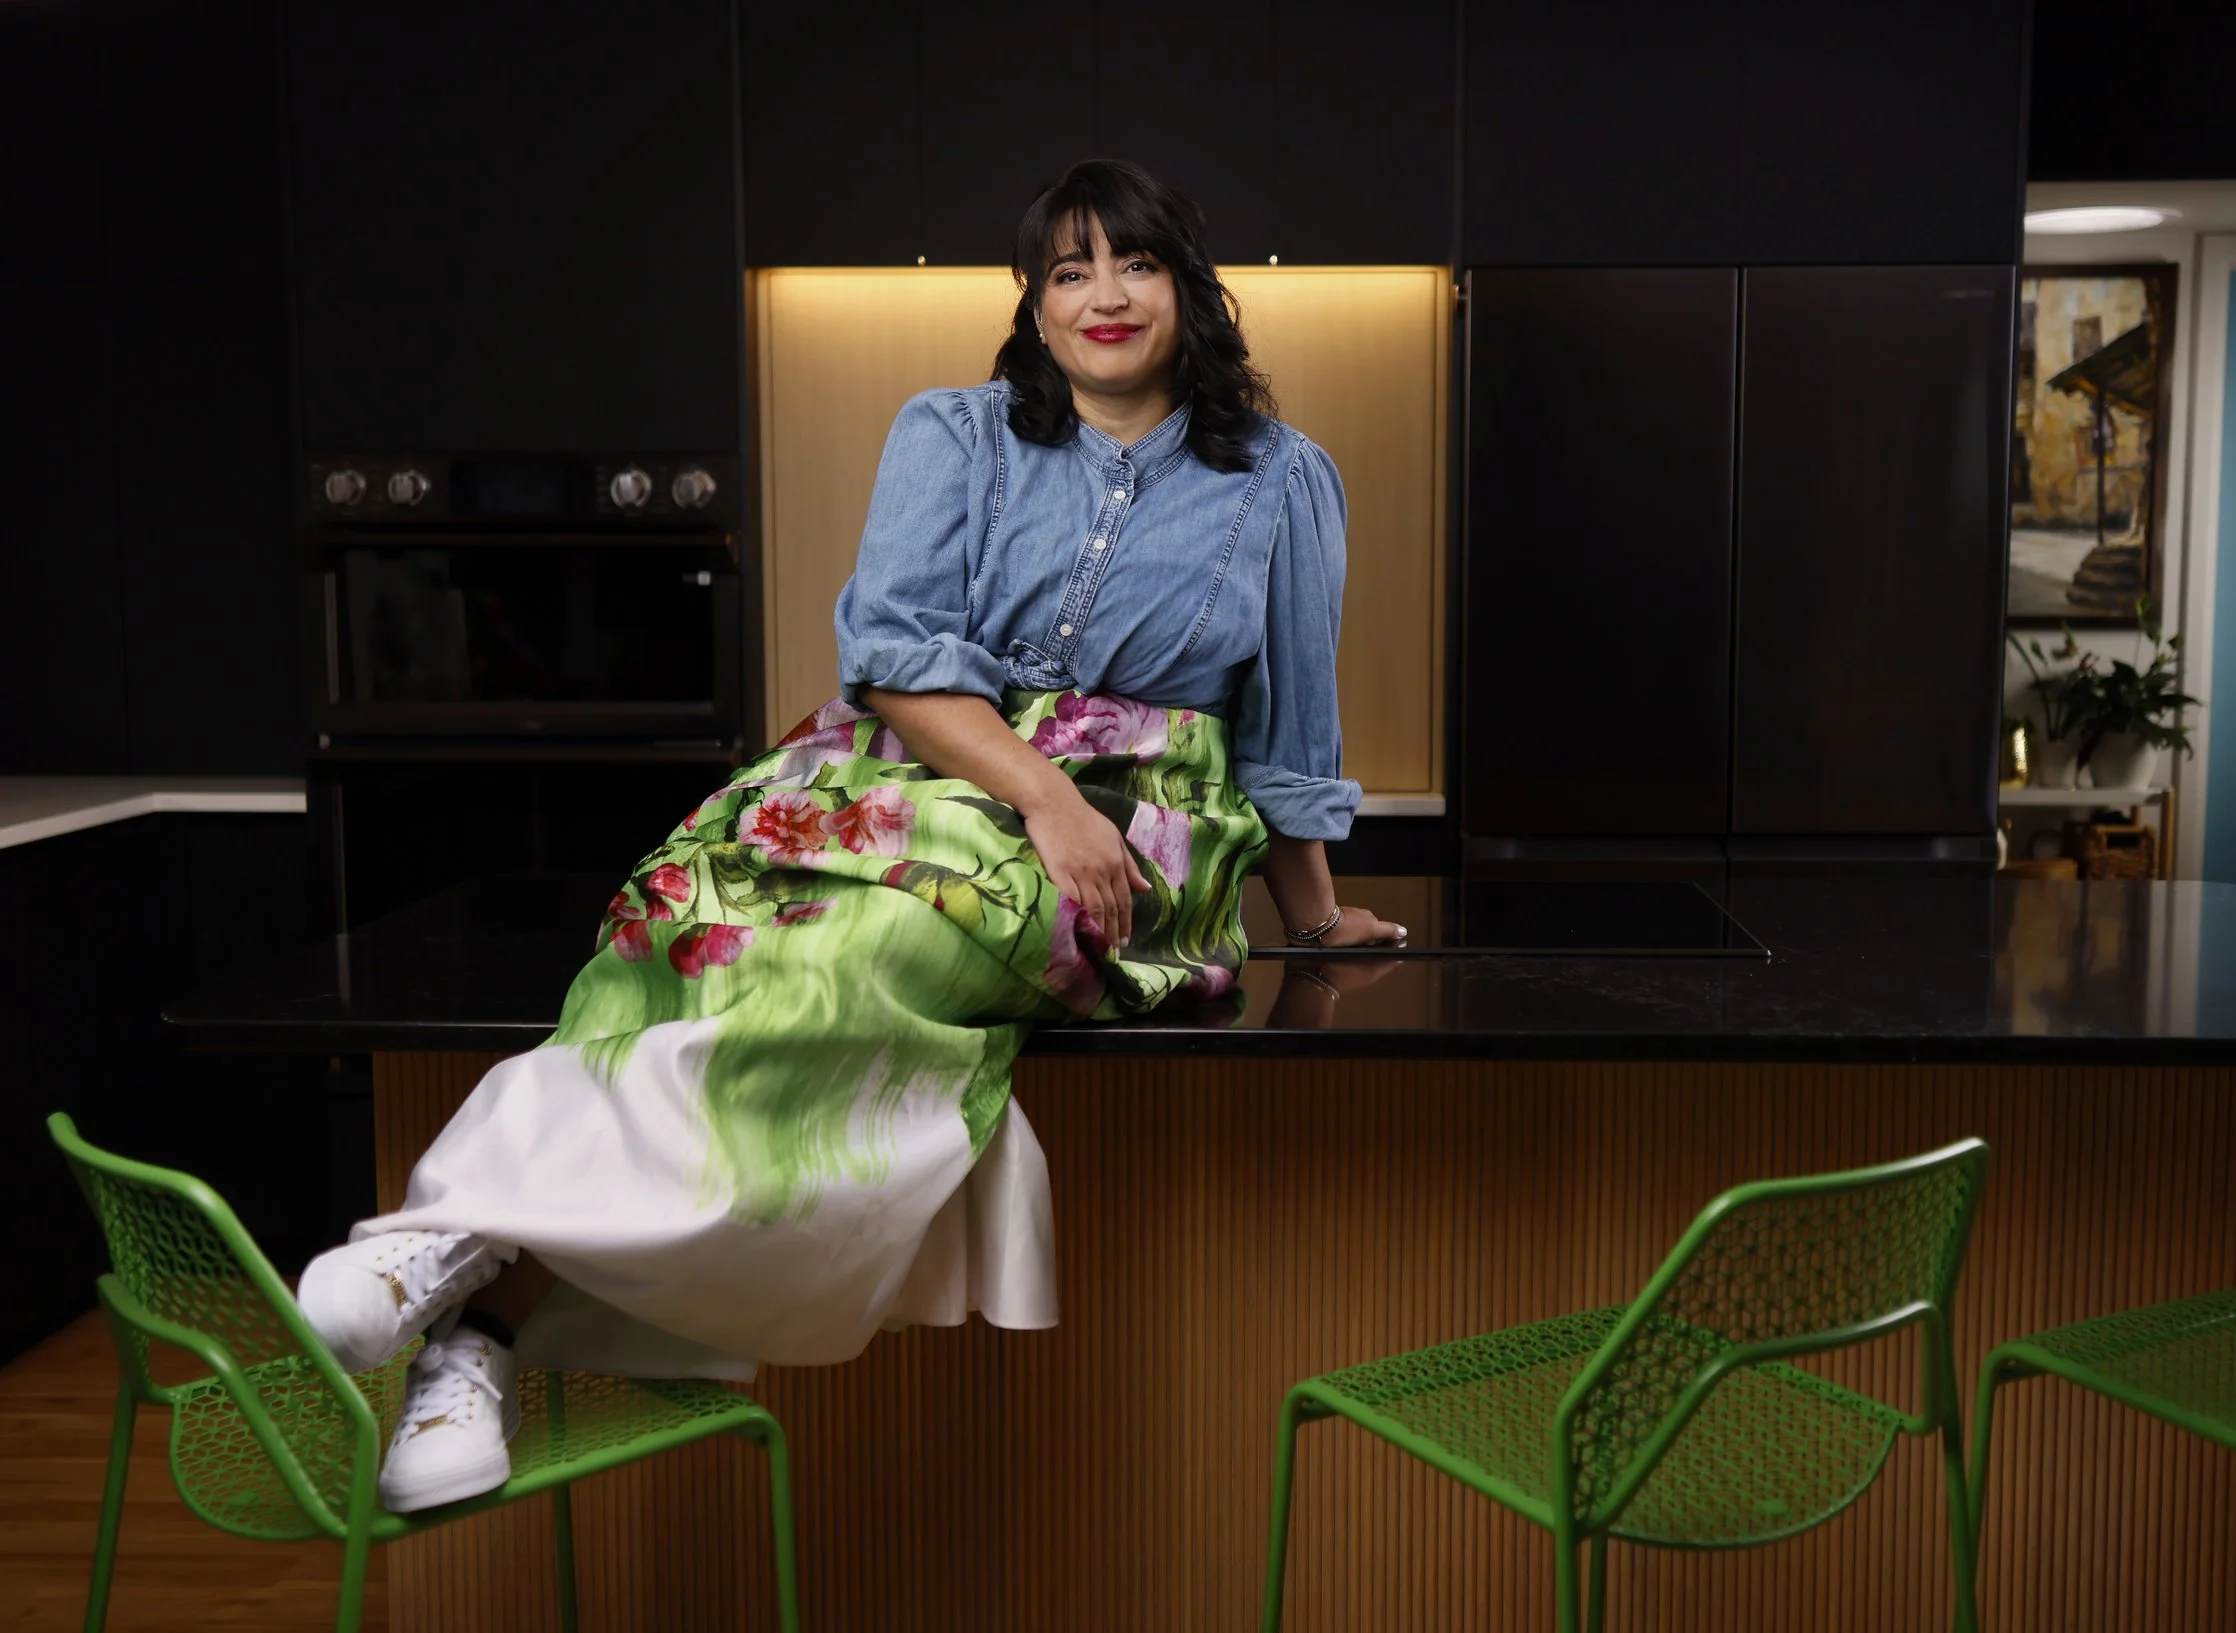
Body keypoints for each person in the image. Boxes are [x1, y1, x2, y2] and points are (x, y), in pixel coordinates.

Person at [291, 157, 1404, 1512]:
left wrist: (1317, 918)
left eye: (1137, 263)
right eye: (1070, 269)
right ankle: (469, 1303)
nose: (1104, 295)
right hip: (910, 768)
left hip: (1132, 821)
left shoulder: (1284, 479)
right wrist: (1033, 793)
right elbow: (895, 653)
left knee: (867, 944)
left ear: (1191, 286)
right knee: (688, 925)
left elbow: (1289, 726)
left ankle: (455, 1273)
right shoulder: (954, 431)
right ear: (1033, 302)